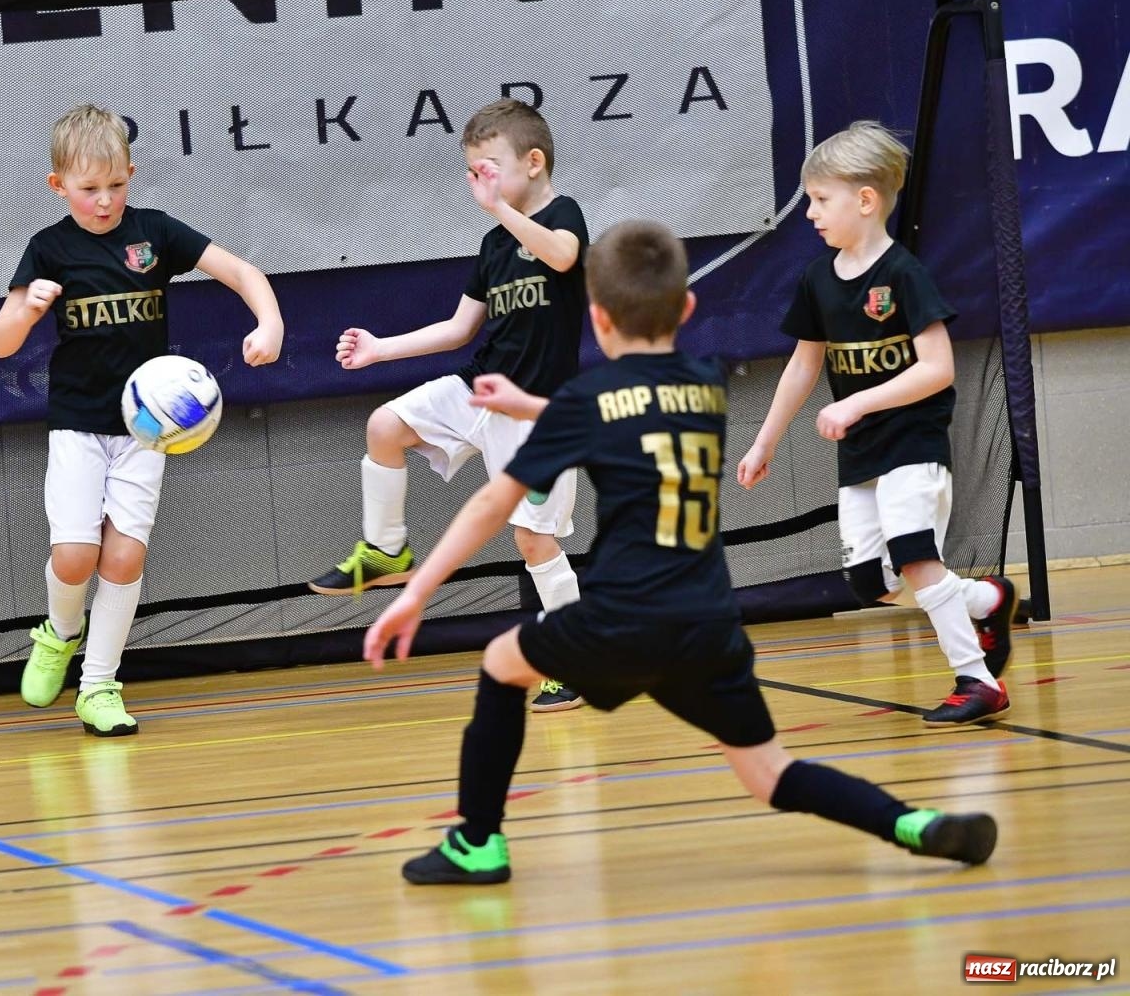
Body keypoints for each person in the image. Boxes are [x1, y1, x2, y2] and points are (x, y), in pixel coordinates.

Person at [364, 220, 998, 885]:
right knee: (769, 772)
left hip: (624, 618)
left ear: (597, 319)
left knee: (501, 664)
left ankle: (477, 842)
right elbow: (623, 411)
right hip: (707, 625)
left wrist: (416, 592)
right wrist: (529, 404)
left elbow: (501, 496)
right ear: (687, 308)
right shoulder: (704, 386)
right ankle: (912, 824)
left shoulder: (589, 399)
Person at [0, 104, 284, 736]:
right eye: (89, 189)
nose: (104, 201)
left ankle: (98, 686)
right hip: (77, 422)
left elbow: (240, 271)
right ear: (58, 186)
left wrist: (269, 322)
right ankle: (60, 630)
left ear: (131, 173)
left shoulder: (153, 234)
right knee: (75, 555)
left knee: (122, 560)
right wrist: (29, 310)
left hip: (147, 428)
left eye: (116, 185)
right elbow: (0, 345)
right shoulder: (48, 250)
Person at [736, 121, 1020, 727]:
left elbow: (939, 369)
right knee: (871, 583)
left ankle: (977, 680)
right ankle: (988, 599)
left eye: (819, 199)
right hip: (861, 455)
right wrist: (764, 442)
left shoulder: (903, 274)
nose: (810, 212)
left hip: (913, 444)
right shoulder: (817, 280)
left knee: (917, 557)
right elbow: (802, 367)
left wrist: (858, 402)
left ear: (865, 201)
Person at [308, 97, 586, 713]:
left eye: (488, 168)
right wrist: (380, 350)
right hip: (479, 387)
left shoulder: (562, 217)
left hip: (538, 411)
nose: (476, 183)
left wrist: (501, 211)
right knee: (384, 425)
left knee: (533, 542)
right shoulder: (494, 244)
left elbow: (564, 256)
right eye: (472, 172)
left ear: (533, 163)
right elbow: (461, 328)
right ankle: (386, 548)